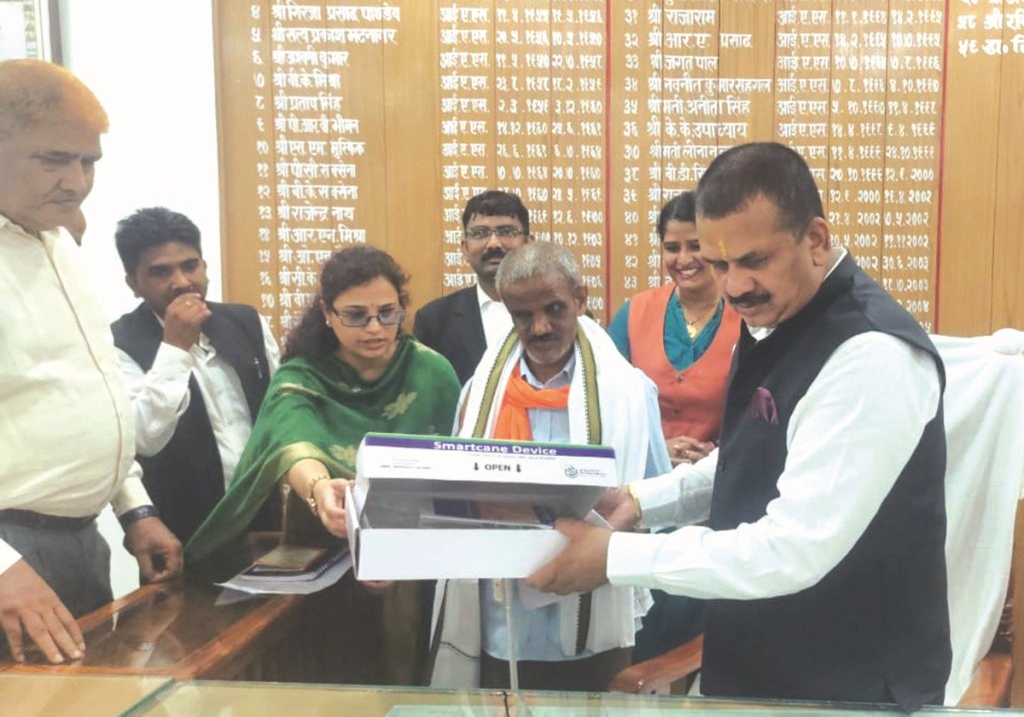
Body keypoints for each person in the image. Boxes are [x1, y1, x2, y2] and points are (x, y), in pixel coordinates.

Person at [526, 142, 950, 712]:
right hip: (758, 661)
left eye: (754, 261)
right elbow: (750, 455)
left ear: (816, 239)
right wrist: (641, 502)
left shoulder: (870, 355)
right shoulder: (779, 316)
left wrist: (613, 557)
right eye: (720, 265)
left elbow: (793, 549)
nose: (734, 287)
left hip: (850, 683)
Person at [186, 245, 461, 683]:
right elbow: (292, 440)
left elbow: (454, 472)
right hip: (324, 548)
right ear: (328, 314)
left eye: (387, 313)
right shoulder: (303, 376)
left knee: (408, 673)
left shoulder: (432, 372)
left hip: (411, 553)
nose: (375, 328)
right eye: (355, 316)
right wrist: (319, 489)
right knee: (333, 676)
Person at [0, 59, 182, 664]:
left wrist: (134, 508)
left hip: (77, 542)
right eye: (54, 159)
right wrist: (2, 568)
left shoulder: (53, 243)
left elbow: (89, 390)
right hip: (12, 558)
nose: (76, 182)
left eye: (89, 162)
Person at [431, 242, 671, 691]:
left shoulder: (630, 392)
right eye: (523, 315)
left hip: (594, 614)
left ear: (580, 299)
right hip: (503, 619)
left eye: (554, 309)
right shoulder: (479, 394)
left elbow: (652, 501)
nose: (539, 327)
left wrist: (609, 536)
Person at [607, 191, 741, 664]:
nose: (684, 259)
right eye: (672, 247)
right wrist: (658, 446)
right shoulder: (635, 312)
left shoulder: (748, 314)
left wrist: (717, 453)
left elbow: (763, 409)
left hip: (717, 503)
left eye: (695, 246)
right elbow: (608, 404)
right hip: (640, 494)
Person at [111, 207, 280, 544]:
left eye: (190, 266)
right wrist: (175, 347)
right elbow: (143, 437)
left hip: (266, 524)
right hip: (182, 536)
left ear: (204, 266)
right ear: (134, 283)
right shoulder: (117, 343)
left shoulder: (247, 322)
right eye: (160, 272)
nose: (182, 282)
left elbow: (280, 409)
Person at [414, 190, 534, 383]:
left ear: (528, 244)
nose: (493, 244)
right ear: (465, 248)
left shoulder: (561, 313)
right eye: (480, 233)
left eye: (506, 232)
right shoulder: (434, 320)